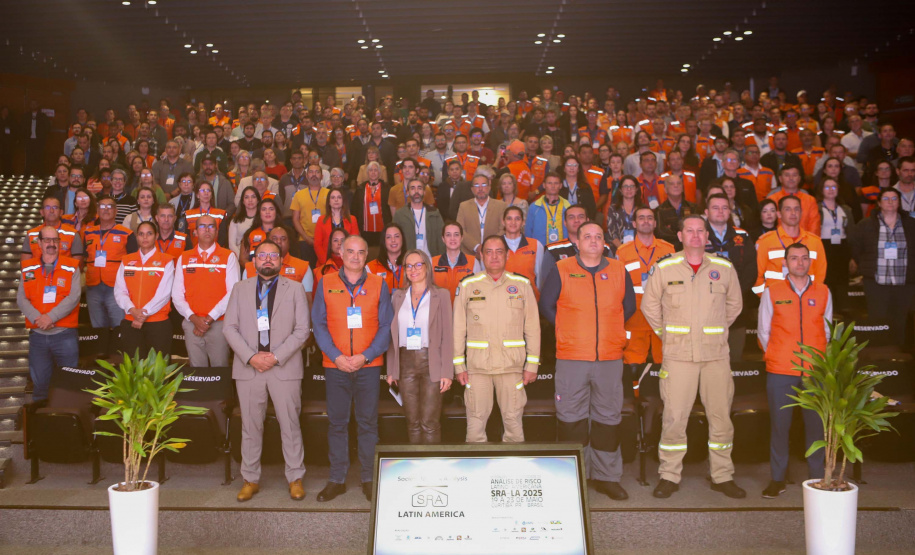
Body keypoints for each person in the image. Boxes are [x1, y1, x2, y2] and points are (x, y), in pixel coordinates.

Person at [641, 215, 745, 499]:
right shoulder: (664, 267)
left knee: (721, 417)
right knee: (674, 417)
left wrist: (713, 330)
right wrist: (670, 334)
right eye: (690, 230)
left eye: (701, 230)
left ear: (707, 236)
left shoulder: (724, 268)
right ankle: (669, 475)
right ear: (680, 235)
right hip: (678, 356)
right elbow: (649, 306)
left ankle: (722, 475)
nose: (696, 235)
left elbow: (735, 305)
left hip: (715, 357)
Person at [540, 221, 636, 500]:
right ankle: (573, 477)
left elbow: (628, 306)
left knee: (608, 417)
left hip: (609, 357)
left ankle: (606, 477)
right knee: (572, 418)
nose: (593, 241)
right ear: (578, 243)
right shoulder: (562, 269)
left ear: (604, 242)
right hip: (572, 357)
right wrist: (567, 329)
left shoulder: (619, 270)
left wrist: (611, 329)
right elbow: (546, 304)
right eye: (587, 237)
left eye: (598, 237)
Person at [223, 239, 310, 502]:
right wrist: (251, 357)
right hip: (249, 369)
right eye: (262, 255)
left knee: (290, 424)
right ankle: (250, 479)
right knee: (250, 426)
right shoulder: (240, 288)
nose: (268, 259)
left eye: (273, 255)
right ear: (254, 260)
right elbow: (229, 328)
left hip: (283, 367)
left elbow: (302, 330)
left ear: (282, 259)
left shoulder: (295, 289)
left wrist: (275, 356)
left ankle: (295, 477)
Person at [312, 235, 394, 502]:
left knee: (368, 423)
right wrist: (336, 356)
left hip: (368, 366)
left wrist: (365, 356)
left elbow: (386, 327)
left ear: (366, 255)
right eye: (351, 251)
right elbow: (319, 325)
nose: (356, 257)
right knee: (337, 423)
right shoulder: (325, 283)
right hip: (335, 366)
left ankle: (369, 479)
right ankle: (337, 479)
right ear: (341, 252)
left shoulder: (379, 284)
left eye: (361, 252)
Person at [758, 242, 830, 498]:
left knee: (815, 427)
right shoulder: (772, 291)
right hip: (781, 370)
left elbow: (828, 330)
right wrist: (779, 353)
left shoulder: (823, 291)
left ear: (810, 262)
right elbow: (764, 330)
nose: (799, 263)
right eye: (794, 258)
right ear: (785, 263)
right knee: (780, 426)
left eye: (804, 258)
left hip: (814, 372)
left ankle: (817, 478)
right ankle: (778, 479)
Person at [453, 235, 541, 443]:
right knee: (475, 424)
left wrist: (533, 364)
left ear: (507, 255)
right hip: (477, 368)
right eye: (489, 252)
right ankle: (477, 472)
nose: (494, 256)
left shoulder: (522, 285)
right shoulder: (468, 285)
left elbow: (533, 328)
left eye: (499, 251)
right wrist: (459, 366)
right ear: (481, 256)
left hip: (512, 367)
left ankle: (512, 473)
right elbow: (458, 328)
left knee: (513, 424)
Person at [386, 249, 453, 444]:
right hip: (405, 363)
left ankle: (431, 468)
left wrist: (447, 372)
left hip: (432, 362)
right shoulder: (397, 297)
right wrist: (392, 370)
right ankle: (415, 468)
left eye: (418, 265)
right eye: (409, 265)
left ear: (426, 267)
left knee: (429, 421)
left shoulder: (441, 295)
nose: (413, 269)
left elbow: (448, 336)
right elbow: (392, 337)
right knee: (412, 421)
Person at [17, 227, 80, 402]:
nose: (51, 244)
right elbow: (21, 299)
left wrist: (50, 317)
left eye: (55, 240)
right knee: (40, 386)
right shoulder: (28, 267)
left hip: (64, 335)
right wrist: (40, 319)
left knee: (69, 386)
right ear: (39, 243)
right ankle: (41, 425)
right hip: (38, 336)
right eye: (47, 240)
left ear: (59, 243)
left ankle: (67, 425)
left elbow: (73, 297)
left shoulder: (71, 266)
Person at [849, 188, 915, 347]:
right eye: (886, 199)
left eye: (894, 199)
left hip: (904, 284)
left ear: (899, 203)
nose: (890, 202)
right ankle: (879, 357)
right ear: (878, 203)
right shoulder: (865, 225)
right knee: (878, 321)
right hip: (876, 284)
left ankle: (897, 357)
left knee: (900, 322)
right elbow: (856, 249)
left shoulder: (911, 225)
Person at [172, 214, 240, 367]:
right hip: (191, 324)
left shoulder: (228, 256)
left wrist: (208, 319)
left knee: (220, 370)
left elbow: (233, 292)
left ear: (217, 232)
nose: (207, 230)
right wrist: (195, 319)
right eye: (202, 226)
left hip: (219, 324)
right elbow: (176, 295)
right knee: (197, 373)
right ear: (195, 232)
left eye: (211, 226)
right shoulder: (184, 257)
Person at [616, 207, 675, 372]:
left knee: (665, 363)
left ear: (655, 223)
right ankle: (634, 396)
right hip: (634, 319)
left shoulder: (669, 250)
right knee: (632, 364)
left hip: (662, 318)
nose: (646, 221)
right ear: (634, 223)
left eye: (650, 218)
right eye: (641, 218)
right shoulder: (623, 252)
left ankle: (667, 397)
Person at [705, 194, 758, 361]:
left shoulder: (742, 236)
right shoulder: (697, 234)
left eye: (725, 208)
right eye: (715, 207)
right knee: (709, 361)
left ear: (730, 211)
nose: (720, 211)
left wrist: (735, 294)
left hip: (737, 306)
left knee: (734, 358)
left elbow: (751, 268)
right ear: (706, 212)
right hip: (706, 307)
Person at [113, 221, 176, 359]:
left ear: (156, 236)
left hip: (158, 323)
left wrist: (142, 314)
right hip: (131, 322)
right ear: (136, 237)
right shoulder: (126, 260)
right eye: (141, 234)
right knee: (134, 370)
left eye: (149, 234)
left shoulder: (166, 260)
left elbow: (164, 294)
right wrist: (133, 310)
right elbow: (119, 291)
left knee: (158, 371)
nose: (145, 238)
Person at [85, 196, 137, 360]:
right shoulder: (87, 232)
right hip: (93, 286)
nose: (106, 210)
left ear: (115, 211)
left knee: (118, 325)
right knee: (98, 327)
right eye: (102, 206)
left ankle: (117, 360)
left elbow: (133, 261)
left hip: (116, 287)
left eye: (110, 207)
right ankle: (100, 360)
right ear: (98, 210)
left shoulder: (126, 233)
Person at [752, 196, 827, 296]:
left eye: (796, 209)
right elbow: (756, 276)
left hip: (807, 300)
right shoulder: (765, 242)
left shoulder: (815, 242)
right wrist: (766, 298)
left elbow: (820, 275)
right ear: (779, 214)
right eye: (788, 209)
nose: (793, 213)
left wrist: (811, 296)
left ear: (801, 213)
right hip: (775, 302)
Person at [816, 177, 855, 315]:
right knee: (826, 278)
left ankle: (843, 307)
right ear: (821, 190)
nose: (831, 190)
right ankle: (827, 309)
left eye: (834, 187)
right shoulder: (816, 208)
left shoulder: (845, 209)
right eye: (827, 187)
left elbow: (851, 233)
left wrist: (852, 256)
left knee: (842, 278)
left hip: (842, 247)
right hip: (824, 246)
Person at [242, 225, 314, 296]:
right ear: (267, 241)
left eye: (283, 239)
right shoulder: (249, 268)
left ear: (289, 243)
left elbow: (307, 301)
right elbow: (244, 299)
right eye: (274, 238)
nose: (279, 241)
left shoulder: (303, 267)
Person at [456, 174, 507, 257]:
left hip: (494, 254)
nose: (480, 188)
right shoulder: (463, 206)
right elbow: (460, 230)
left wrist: (488, 247)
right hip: (469, 254)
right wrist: (476, 247)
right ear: (472, 189)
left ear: (489, 187)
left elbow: (503, 229)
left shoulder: (501, 206)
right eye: (476, 185)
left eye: (483, 185)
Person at [393, 179, 445, 257]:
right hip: (408, 261)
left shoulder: (434, 213)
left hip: (431, 260)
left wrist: (440, 260)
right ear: (407, 192)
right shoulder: (400, 214)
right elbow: (395, 240)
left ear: (424, 192)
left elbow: (442, 240)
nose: (416, 191)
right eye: (413, 188)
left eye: (419, 188)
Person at [22, 196, 83, 264]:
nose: (51, 211)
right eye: (47, 207)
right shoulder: (31, 234)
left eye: (55, 207)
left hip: (63, 274)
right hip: (37, 274)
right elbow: (25, 265)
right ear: (42, 212)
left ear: (61, 212)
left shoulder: (73, 234)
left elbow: (77, 265)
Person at [290, 163, 329, 265]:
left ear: (322, 176)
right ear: (306, 176)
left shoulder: (330, 194)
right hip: (304, 240)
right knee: (307, 270)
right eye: (311, 172)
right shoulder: (299, 195)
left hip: (325, 240)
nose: (314, 174)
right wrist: (306, 237)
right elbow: (295, 219)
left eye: (317, 172)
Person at [503, 205, 544, 299]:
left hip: (529, 299)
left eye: (517, 219)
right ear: (503, 222)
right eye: (509, 218)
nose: (513, 222)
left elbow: (540, 277)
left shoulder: (536, 245)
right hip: (502, 299)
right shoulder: (495, 245)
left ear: (523, 222)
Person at [432, 221, 477, 304]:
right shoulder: (432, 263)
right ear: (443, 239)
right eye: (448, 235)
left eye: (456, 234)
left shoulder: (474, 262)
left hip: (464, 312)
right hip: (440, 312)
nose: (452, 238)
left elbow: (477, 291)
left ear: (462, 238)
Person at [314, 188, 359, 266]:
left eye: (339, 197)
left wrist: (349, 261)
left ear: (343, 200)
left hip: (347, 262)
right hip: (326, 262)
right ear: (329, 201)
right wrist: (326, 263)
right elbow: (317, 245)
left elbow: (354, 243)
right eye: (333, 197)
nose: (336, 200)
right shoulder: (321, 220)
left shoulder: (352, 219)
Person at [351, 161, 391, 247]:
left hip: (382, 229)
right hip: (365, 229)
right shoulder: (360, 188)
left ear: (379, 173)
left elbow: (389, 209)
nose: (373, 172)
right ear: (367, 173)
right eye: (370, 170)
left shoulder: (387, 188)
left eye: (375, 170)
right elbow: (354, 209)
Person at [526, 172, 571, 246]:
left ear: (560, 186)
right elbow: (528, 232)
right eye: (549, 183)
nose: (553, 186)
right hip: (540, 250)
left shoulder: (568, 206)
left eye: (556, 183)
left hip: (563, 250)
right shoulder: (534, 207)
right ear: (544, 185)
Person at [655, 173, 698, 250]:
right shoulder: (659, 210)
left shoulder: (693, 208)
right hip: (669, 249)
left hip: (692, 248)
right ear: (665, 189)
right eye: (672, 184)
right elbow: (661, 233)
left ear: (682, 188)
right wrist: (683, 237)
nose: (676, 186)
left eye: (679, 183)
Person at [184, 181, 227, 247]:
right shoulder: (189, 215)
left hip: (216, 253)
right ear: (197, 195)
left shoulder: (220, 214)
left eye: (208, 190)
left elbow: (222, 238)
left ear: (211, 194)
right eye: (202, 190)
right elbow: (187, 238)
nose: (206, 193)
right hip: (195, 253)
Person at [241, 198, 282, 266]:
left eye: (271, 209)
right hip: (254, 272)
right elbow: (243, 259)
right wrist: (257, 269)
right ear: (259, 213)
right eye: (263, 209)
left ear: (276, 212)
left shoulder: (285, 233)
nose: (267, 212)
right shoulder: (250, 233)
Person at [367, 223, 406, 291]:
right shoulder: (371, 267)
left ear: (402, 239)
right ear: (384, 241)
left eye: (397, 236)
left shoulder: (411, 265)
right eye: (388, 237)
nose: (393, 240)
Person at [605, 175, 642, 248]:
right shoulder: (613, 209)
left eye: (632, 186)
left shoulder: (642, 209)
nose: (629, 189)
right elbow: (611, 234)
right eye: (625, 186)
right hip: (618, 249)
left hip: (640, 248)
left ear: (637, 189)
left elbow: (647, 232)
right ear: (621, 190)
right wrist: (623, 250)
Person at [228, 186, 261, 258]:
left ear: (258, 200)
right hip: (240, 257)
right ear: (243, 201)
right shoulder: (235, 220)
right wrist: (242, 257)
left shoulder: (263, 219)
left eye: (253, 197)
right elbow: (231, 244)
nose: (250, 200)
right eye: (246, 197)